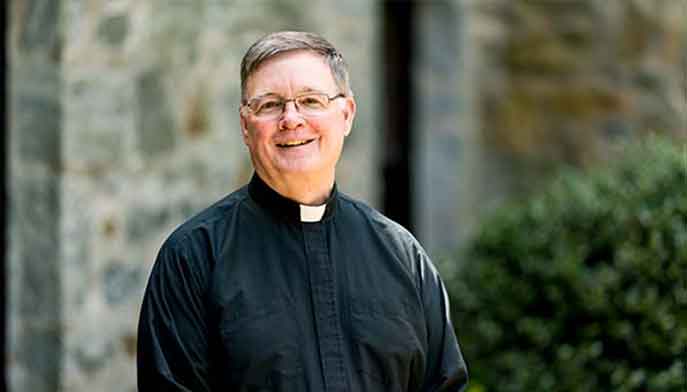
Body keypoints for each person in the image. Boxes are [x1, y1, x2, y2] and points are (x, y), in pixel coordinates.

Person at [137, 31, 468, 391]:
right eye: (269, 105)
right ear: (246, 127)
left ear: (346, 114)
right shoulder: (193, 257)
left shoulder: (403, 256)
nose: (291, 119)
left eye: (311, 100)